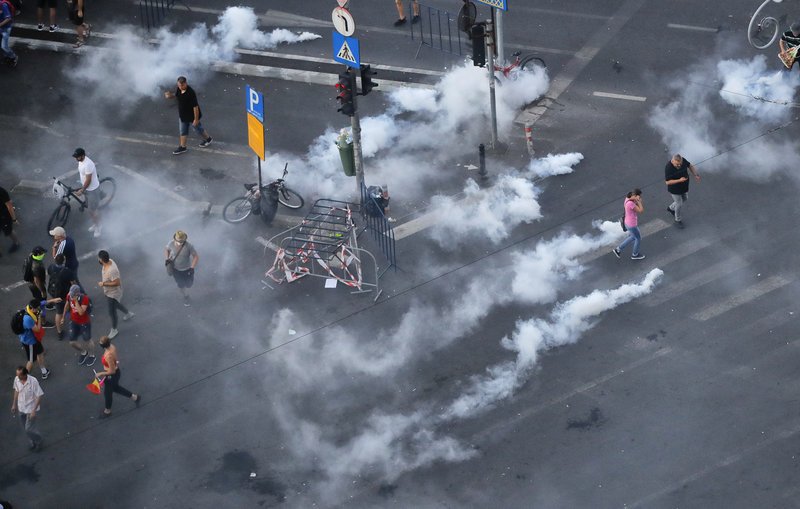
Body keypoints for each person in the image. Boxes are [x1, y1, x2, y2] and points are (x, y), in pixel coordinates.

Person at [164, 76, 213, 155]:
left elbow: (195, 107)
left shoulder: (190, 93)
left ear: (185, 84)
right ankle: (183, 147)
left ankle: (208, 139)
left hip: (192, 116)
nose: (180, 87)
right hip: (183, 115)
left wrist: (196, 119)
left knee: (198, 129)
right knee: (183, 131)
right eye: (179, 85)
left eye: (181, 85)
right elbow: (177, 95)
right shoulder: (179, 89)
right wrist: (170, 96)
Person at [95, 335, 140, 419]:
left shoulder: (108, 356)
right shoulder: (111, 346)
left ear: (103, 345)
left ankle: (107, 411)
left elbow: (112, 371)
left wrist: (101, 373)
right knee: (116, 388)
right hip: (114, 374)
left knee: (107, 393)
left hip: (111, 376)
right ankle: (135, 397)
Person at [97, 250, 133, 339]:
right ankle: (128, 313)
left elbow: (117, 283)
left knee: (112, 311)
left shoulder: (112, 270)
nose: (98, 259)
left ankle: (114, 329)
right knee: (116, 305)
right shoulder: (108, 262)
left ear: (101, 259)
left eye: (99, 258)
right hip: (108, 292)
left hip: (113, 294)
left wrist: (103, 284)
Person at [61, 284, 96, 366]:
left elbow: (81, 312)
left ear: (77, 293)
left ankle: (92, 355)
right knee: (72, 342)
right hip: (74, 321)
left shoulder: (84, 299)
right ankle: (84, 352)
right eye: (70, 294)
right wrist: (63, 317)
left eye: (73, 295)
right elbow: (67, 305)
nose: (71, 296)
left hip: (84, 322)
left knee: (87, 340)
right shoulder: (69, 295)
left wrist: (76, 301)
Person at [11, 367, 44, 451]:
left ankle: (38, 440)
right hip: (21, 407)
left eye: (19, 375)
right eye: (17, 375)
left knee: (28, 428)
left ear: (25, 374)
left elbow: (39, 395)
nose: (17, 377)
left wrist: (33, 410)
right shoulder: (17, 379)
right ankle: (32, 440)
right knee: (25, 428)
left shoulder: (33, 381)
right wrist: (14, 404)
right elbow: (16, 391)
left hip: (30, 409)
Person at [664, 154, 700, 229]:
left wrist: (695, 175)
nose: (679, 165)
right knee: (679, 203)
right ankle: (677, 220)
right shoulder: (668, 168)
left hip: (684, 186)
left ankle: (671, 208)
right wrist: (679, 180)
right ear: (673, 160)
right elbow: (667, 182)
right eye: (677, 164)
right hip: (675, 189)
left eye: (680, 163)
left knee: (685, 198)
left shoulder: (682, 160)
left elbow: (690, 166)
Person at [18, 299, 51, 379]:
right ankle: (23, 379)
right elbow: (37, 329)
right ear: (33, 309)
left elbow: (42, 303)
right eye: (37, 308)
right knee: (31, 360)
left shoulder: (27, 309)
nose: (38, 310)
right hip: (30, 341)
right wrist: (39, 317)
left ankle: (44, 371)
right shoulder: (27, 319)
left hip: (33, 339)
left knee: (40, 353)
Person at [72, 148, 102, 237]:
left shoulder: (88, 164)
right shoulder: (81, 161)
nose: (76, 158)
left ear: (82, 156)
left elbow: (88, 180)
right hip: (87, 189)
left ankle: (99, 226)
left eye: (77, 157)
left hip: (92, 190)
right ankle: (95, 224)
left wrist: (82, 190)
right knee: (90, 209)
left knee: (94, 210)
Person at [165, 230, 198, 306]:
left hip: (187, 269)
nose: (180, 243)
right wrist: (167, 259)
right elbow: (166, 249)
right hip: (176, 270)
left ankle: (186, 289)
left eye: (182, 241)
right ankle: (185, 296)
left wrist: (192, 268)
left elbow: (195, 256)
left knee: (189, 284)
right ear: (175, 239)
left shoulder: (189, 246)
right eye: (179, 241)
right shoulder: (171, 244)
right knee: (181, 284)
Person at [47, 253, 76, 341]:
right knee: (72, 309)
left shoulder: (51, 267)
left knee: (58, 313)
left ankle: (59, 332)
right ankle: (74, 327)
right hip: (65, 295)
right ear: (64, 261)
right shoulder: (67, 271)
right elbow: (73, 284)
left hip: (54, 294)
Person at [613, 189, 645, 260]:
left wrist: (636, 200)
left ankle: (618, 249)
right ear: (634, 195)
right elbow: (641, 210)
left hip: (627, 223)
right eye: (638, 196)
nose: (639, 197)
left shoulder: (627, 198)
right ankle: (635, 254)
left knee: (633, 237)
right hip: (632, 225)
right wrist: (639, 202)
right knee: (638, 238)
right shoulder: (631, 204)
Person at [0, 184, 20, 254]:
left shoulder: (2, 191)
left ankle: (16, 243)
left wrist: (14, 219)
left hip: (4, 216)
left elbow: (9, 206)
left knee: (9, 231)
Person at [0, 0, 17, 68]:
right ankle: (7, 56)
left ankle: (13, 57)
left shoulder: (3, 5)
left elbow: (8, 18)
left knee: (4, 46)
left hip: (6, 29)